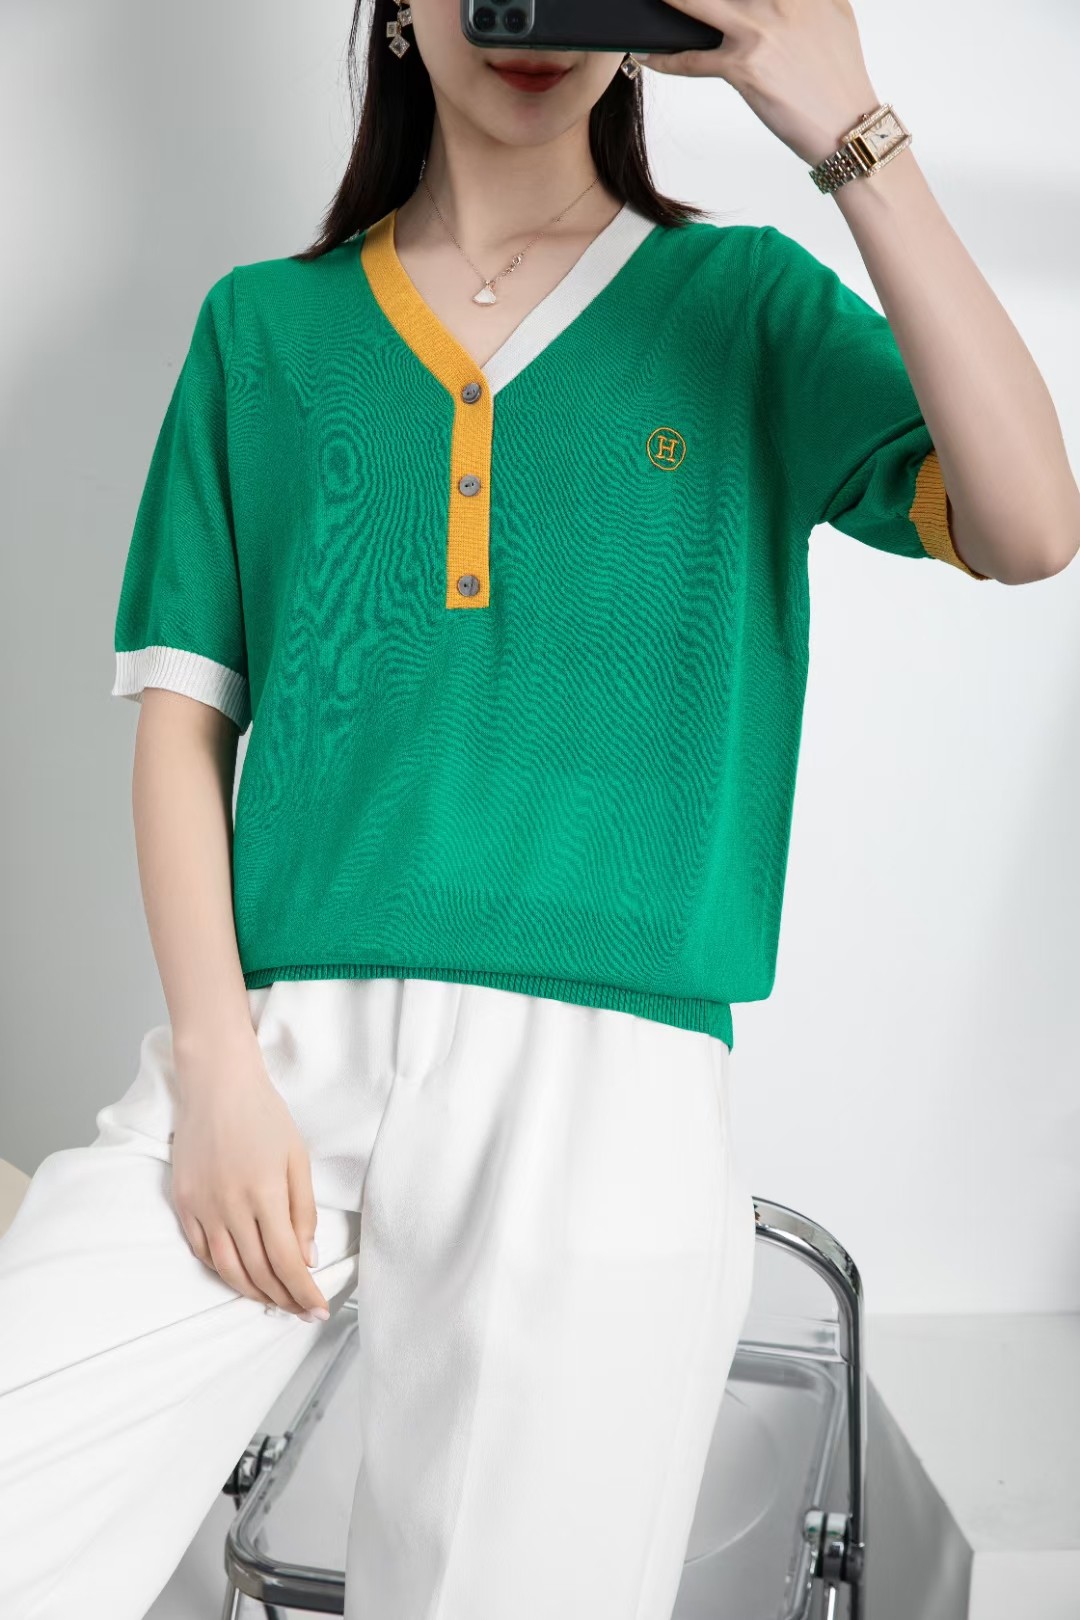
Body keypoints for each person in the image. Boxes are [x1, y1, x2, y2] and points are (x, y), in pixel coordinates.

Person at [11, 0, 1074, 1611]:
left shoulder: (744, 306)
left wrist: (848, 128)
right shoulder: (263, 330)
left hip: (606, 1090)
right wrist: (217, 1069)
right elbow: (182, 722)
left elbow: (1030, 523)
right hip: (274, 1055)